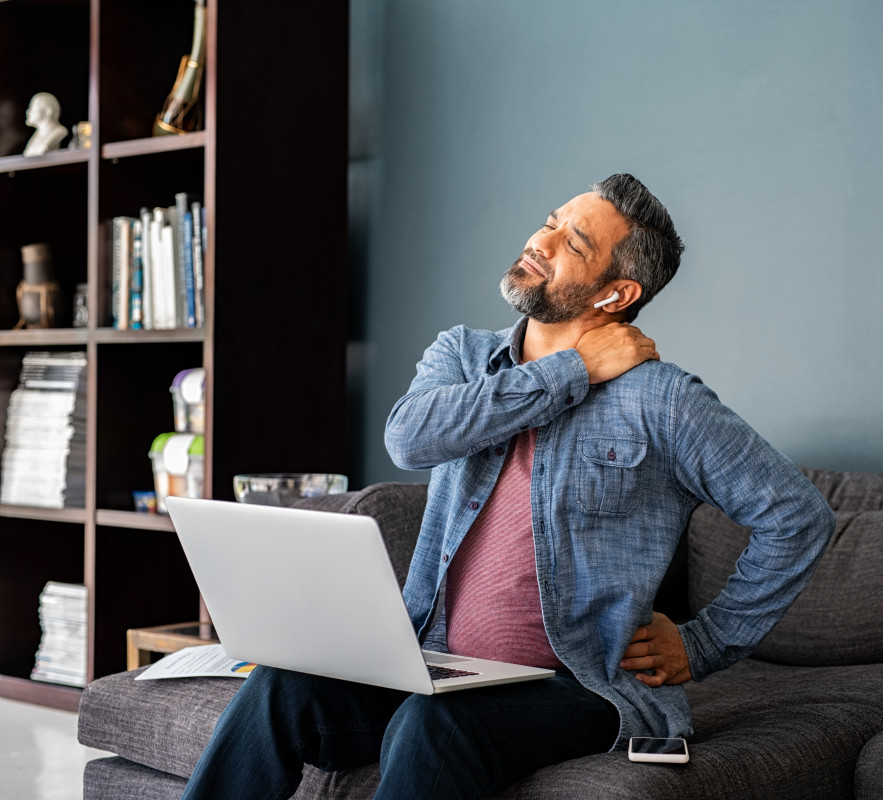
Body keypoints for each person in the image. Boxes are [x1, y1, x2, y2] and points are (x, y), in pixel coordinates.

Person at [180, 173, 835, 799]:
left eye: (573, 243)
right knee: (279, 686)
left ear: (615, 295)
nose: (540, 242)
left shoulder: (661, 401)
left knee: (431, 724)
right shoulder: (461, 356)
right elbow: (409, 439)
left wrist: (705, 641)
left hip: (578, 687)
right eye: (549, 224)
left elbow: (797, 515)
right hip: (428, 664)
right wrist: (570, 371)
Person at [23, 92, 68, 156]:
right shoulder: (37, 136)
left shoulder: (59, 132)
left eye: (32, 107)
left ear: (48, 111)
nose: (28, 112)